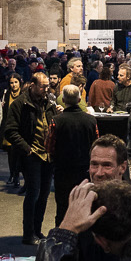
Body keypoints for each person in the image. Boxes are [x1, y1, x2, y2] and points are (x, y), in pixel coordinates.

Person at [3, 74, 54, 246]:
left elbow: (50, 124)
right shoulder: (20, 104)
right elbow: (10, 130)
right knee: (33, 194)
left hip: (48, 154)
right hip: (32, 155)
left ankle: (37, 230)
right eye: (43, 86)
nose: (46, 89)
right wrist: (27, 149)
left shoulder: (48, 102)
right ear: (32, 85)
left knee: (44, 194)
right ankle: (28, 234)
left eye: (48, 86)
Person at [48, 85, 99, 230]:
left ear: (63, 100)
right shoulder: (91, 120)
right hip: (84, 170)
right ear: (79, 99)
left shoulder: (56, 120)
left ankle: (60, 239)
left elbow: (49, 146)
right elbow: (96, 144)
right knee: (84, 204)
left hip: (62, 170)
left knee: (62, 207)